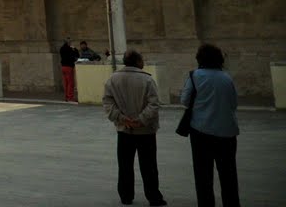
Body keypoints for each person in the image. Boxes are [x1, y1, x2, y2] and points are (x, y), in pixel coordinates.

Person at [102, 50, 166, 207]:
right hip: (146, 130)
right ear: (138, 62)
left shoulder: (113, 79)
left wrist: (123, 119)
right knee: (149, 165)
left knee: (125, 165)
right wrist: (141, 120)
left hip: (124, 130)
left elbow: (107, 103)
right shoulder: (147, 80)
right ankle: (154, 197)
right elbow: (154, 104)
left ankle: (126, 196)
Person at [181, 43, 239, 207]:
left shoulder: (195, 76)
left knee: (203, 175)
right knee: (228, 175)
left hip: (201, 132)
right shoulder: (226, 77)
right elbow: (234, 103)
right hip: (227, 132)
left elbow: (185, 100)